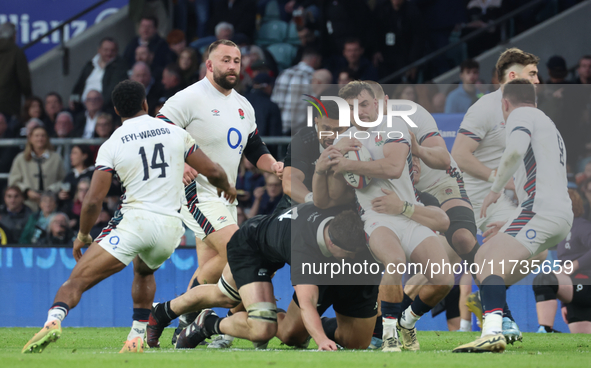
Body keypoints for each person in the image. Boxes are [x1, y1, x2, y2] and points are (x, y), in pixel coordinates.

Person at [21, 79, 236, 354]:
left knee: (75, 281)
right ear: (145, 104)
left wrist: (83, 235)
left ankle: (53, 320)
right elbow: (214, 172)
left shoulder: (113, 143)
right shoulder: (174, 132)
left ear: (115, 110)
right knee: (144, 271)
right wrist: (227, 187)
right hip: (170, 230)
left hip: (135, 222)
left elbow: (93, 201)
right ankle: (136, 336)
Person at [155, 39, 284, 346]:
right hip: (195, 192)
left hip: (227, 196)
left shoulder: (243, 104)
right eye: (225, 60)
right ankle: (184, 316)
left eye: (237, 61)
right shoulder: (189, 97)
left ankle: (195, 326)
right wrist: (179, 162)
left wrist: (274, 165)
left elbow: (254, 147)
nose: (232, 66)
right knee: (243, 251)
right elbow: (159, 133)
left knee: (217, 268)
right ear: (209, 65)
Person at [319, 81, 454, 352]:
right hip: (375, 217)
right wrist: (331, 163)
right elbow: (331, 195)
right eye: (353, 107)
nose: (360, 111)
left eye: (365, 104)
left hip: (408, 211)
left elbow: (393, 168)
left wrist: (347, 163)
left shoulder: (396, 127)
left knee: (443, 279)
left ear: (379, 104)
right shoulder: (343, 140)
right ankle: (390, 334)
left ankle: (407, 321)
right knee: (394, 261)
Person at [147, 202, 377, 350]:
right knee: (248, 317)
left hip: (274, 241)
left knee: (225, 296)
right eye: (346, 255)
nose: (349, 259)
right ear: (330, 241)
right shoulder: (305, 249)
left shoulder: (340, 218)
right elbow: (307, 302)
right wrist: (321, 340)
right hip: (251, 246)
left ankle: (164, 311)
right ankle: (204, 322)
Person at [454, 79, 573, 353]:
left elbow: (516, 149)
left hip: (540, 211)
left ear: (505, 104)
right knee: (485, 257)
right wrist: (510, 222)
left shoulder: (520, 115)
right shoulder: (547, 124)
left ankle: (494, 330)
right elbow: (540, 180)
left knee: (486, 263)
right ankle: (495, 319)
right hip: (551, 212)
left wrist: (495, 189)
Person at [451, 48, 540, 342]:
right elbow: (459, 155)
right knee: (434, 273)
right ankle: (387, 321)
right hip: (470, 198)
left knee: (537, 249)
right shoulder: (485, 108)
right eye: (532, 74)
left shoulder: (528, 110)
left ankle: (489, 299)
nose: (538, 80)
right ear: (513, 76)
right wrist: (500, 180)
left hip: (499, 199)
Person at [533, 189, 591, 334]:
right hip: (576, 293)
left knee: (544, 279)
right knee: (582, 346)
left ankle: (546, 330)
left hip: (585, 283)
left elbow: (570, 266)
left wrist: (575, 265)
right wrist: (564, 302)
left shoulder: (582, 226)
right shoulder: (562, 232)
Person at [276, 98, 348, 214]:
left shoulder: (357, 139)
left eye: (339, 130)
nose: (331, 136)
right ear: (316, 122)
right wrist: (314, 201)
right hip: (302, 200)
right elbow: (289, 181)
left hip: (341, 204)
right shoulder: (304, 139)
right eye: (326, 128)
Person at [8, 126, 65, 212]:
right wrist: (27, 191)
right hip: (27, 204)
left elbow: (63, 179)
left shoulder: (56, 158)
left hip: (50, 204)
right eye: (37, 136)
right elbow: (13, 181)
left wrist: (51, 190)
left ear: (47, 138)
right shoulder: (21, 158)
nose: (40, 138)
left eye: (43, 136)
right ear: (30, 138)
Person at [271, 47, 322, 135]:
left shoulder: (283, 73)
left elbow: (274, 99)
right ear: (315, 60)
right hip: (299, 131)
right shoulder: (312, 77)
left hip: (279, 128)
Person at [70, 37, 128, 111]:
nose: (109, 53)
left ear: (117, 51)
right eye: (106, 50)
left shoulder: (120, 67)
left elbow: (113, 91)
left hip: (104, 109)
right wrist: (73, 99)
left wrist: (97, 105)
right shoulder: (90, 65)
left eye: (112, 50)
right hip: (81, 108)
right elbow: (79, 85)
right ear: (99, 50)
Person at [372, 0, 424, 81]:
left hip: (405, 55)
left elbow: (417, 38)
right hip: (385, 55)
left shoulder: (412, 10)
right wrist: (376, 50)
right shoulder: (381, 8)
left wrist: (413, 62)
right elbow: (374, 31)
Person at [245, 72, 282, 156]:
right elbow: (274, 135)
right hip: (264, 156)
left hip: (241, 155)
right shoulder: (271, 106)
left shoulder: (242, 101)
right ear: (268, 86)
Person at [0, 22, 32, 119]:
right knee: (9, 132)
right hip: (9, 103)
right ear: (14, 36)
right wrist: (28, 97)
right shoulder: (16, 52)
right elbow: (24, 79)